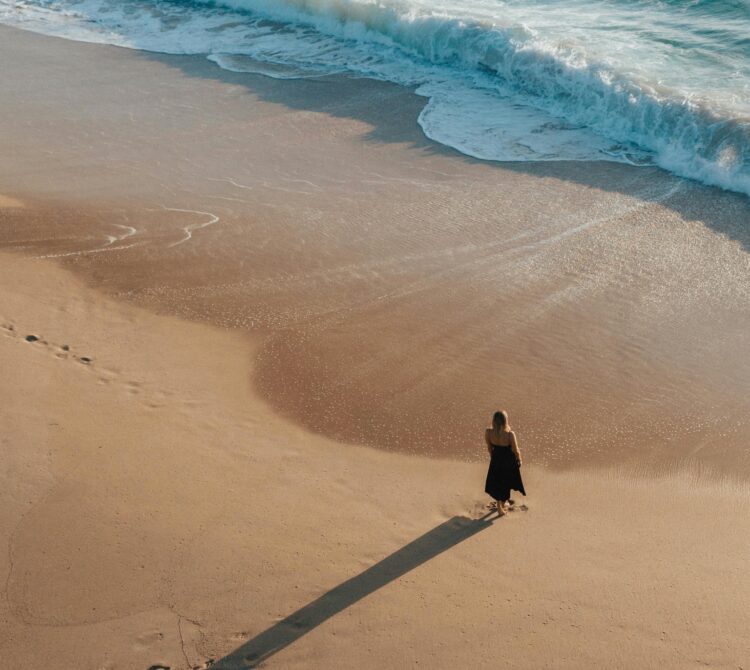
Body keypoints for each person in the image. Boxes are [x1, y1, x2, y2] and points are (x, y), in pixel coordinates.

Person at [484, 410, 525, 515]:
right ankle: (501, 507)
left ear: (493, 421)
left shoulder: (488, 432)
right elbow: (516, 450)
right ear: (505, 421)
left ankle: (500, 505)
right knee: (505, 482)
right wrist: (520, 459)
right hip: (508, 461)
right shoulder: (510, 434)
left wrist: (493, 458)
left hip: (496, 459)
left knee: (497, 481)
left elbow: (489, 447)